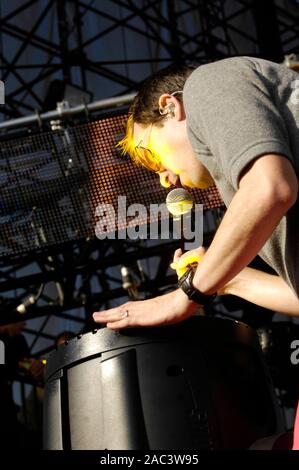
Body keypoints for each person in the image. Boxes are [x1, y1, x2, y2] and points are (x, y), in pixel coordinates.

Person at [93, 56, 299, 449]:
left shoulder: (207, 83)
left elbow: (271, 187)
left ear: (172, 106)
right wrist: (232, 279)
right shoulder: (245, 190)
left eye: (152, 156)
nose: (164, 178)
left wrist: (185, 296)